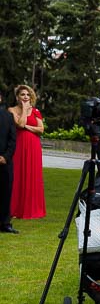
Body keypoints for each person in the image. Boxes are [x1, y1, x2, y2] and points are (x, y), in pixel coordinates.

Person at [9, 84, 46, 219]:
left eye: (27, 95)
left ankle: (31, 209)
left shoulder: (36, 111)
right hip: (18, 145)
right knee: (17, 175)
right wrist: (24, 110)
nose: (25, 97)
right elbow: (19, 124)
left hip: (33, 147)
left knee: (32, 174)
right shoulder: (12, 110)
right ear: (17, 97)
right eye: (22, 94)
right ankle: (14, 209)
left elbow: (41, 130)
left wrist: (26, 126)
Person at [0, 87, 17, 232]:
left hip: (5, 161)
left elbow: (13, 139)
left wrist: (5, 157)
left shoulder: (8, 117)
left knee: (6, 193)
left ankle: (5, 224)